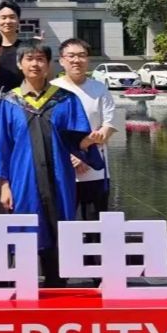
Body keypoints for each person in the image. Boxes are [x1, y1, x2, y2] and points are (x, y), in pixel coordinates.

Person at [0, 40, 102, 288]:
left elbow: (78, 138)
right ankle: (25, 290)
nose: (35, 64)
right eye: (29, 59)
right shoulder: (9, 102)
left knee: (59, 229)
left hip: (60, 178)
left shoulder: (65, 100)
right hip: (23, 179)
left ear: (49, 65)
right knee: (25, 229)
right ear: (20, 64)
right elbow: (3, 147)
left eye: (40, 59)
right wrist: (4, 185)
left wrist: (87, 144)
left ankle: (57, 288)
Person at [53, 38, 117, 220]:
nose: (76, 60)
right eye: (71, 56)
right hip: (62, 169)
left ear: (88, 59)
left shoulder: (99, 89)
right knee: (62, 224)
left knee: (95, 224)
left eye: (81, 55)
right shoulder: (52, 90)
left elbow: (108, 126)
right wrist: (71, 155)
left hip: (94, 169)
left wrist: (85, 148)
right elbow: (49, 133)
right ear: (62, 60)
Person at [0, 0, 23, 78]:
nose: (8, 21)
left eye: (12, 17)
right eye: (3, 18)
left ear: (18, 20)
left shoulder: (26, 48)